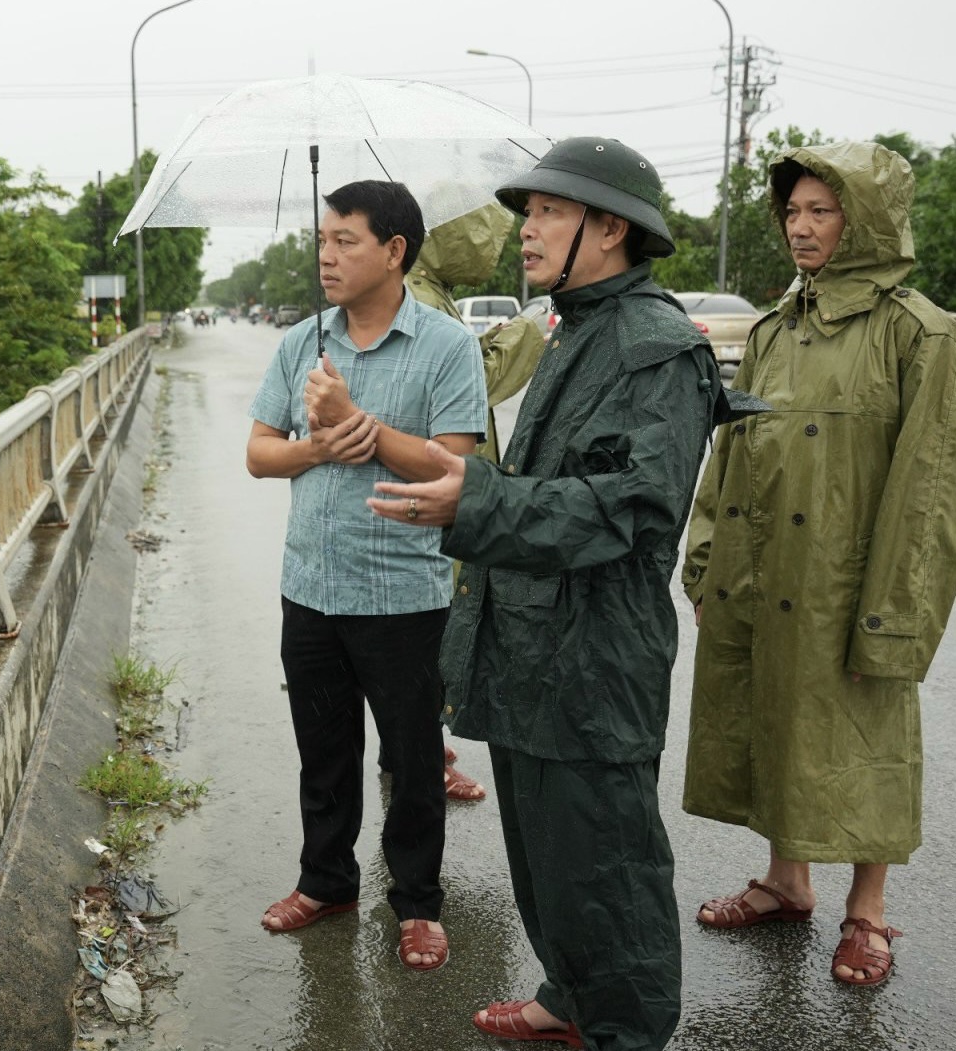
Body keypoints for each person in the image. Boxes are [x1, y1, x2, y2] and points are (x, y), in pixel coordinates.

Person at [367, 138, 757, 1049]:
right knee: (547, 856)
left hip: (595, 657)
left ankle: (624, 1027)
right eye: (526, 212)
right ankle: (567, 994)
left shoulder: (655, 347)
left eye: (547, 212)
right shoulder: (578, 326)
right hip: (536, 647)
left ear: (609, 227)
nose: (526, 230)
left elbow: (627, 509)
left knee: (607, 866)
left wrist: (480, 498)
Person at [681, 142, 956, 987]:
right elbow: (731, 448)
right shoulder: (772, 328)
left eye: (821, 212)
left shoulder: (921, 332)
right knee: (780, 718)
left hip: (855, 579)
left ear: (863, 219)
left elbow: (931, 485)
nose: (801, 228)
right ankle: (785, 879)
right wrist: (704, 554)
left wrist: (899, 608)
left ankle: (866, 912)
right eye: (793, 212)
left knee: (863, 734)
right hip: (769, 564)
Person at [244, 180, 485, 971]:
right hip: (310, 584)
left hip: (404, 591)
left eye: (346, 240)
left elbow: (460, 464)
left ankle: (418, 903)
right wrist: (316, 445)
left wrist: (359, 424)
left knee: (414, 759)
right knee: (324, 750)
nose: (326, 254)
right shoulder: (301, 343)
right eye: (323, 238)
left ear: (395, 250)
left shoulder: (447, 344)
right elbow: (258, 453)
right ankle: (326, 881)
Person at [404, 202, 549, 803]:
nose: (493, 254)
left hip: (434, 483)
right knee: (432, 628)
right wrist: (529, 332)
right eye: (482, 238)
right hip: (431, 486)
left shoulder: (422, 289)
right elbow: (470, 379)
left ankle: (419, 745)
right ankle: (420, 756)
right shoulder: (418, 295)